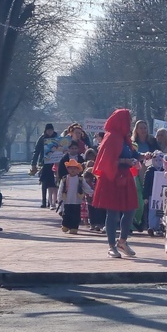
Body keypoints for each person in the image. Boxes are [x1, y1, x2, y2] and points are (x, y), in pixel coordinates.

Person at [92, 109, 144, 259]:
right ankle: (111, 246)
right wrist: (125, 161)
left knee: (130, 210)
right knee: (113, 213)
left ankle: (122, 241)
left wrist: (143, 156)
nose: (130, 124)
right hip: (112, 179)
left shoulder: (123, 138)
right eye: (128, 120)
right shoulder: (111, 138)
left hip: (125, 178)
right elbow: (106, 162)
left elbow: (132, 154)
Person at [58, 159, 93, 235]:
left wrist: (91, 192)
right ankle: (65, 225)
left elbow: (85, 187)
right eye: (70, 168)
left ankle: (74, 227)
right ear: (67, 169)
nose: (72, 170)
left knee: (75, 215)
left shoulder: (80, 179)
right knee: (66, 214)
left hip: (77, 201)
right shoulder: (64, 178)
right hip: (67, 200)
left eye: (74, 168)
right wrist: (59, 199)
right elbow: (60, 189)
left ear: (78, 170)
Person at [29, 123, 58, 208]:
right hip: (44, 163)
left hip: (54, 162)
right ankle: (44, 201)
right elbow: (36, 151)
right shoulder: (42, 138)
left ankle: (51, 201)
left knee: (53, 183)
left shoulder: (57, 138)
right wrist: (33, 164)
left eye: (51, 130)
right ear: (45, 131)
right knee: (44, 182)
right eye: (48, 130)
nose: (50, 132)